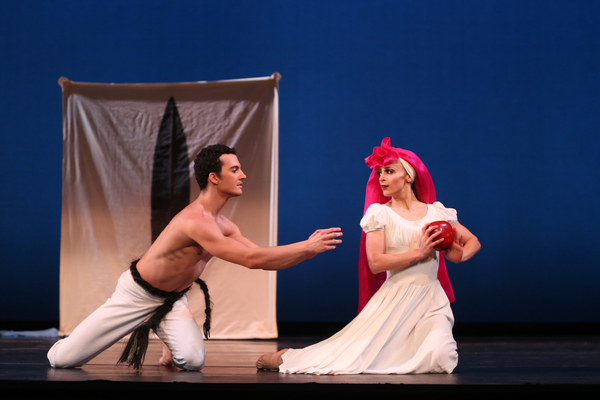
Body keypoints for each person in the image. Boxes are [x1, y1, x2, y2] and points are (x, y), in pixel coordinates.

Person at [48, 144, 343, 371]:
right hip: (136, 295)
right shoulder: (196, 222)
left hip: (173, 300)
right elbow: (252, 259)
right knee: (62, 361)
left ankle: (166, 335)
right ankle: (71, 344)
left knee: (191, 361)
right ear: (214, 178)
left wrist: (306, 253)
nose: (243, 176)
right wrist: (306, 247)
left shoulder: (225, 225)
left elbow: (262, 260)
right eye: (235, 170)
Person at [256, 137, 480, 374]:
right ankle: (289, 358)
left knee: (442, 358)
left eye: (389, 171)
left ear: (409, 176)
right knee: (349, 357)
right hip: (396, 299)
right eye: (379, 172)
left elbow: (472, 241)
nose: (381, 177)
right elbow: (376, 263)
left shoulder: (436, 212)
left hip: (431, 299)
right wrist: (420, 253)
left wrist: (459, 254)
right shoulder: (380, 214)